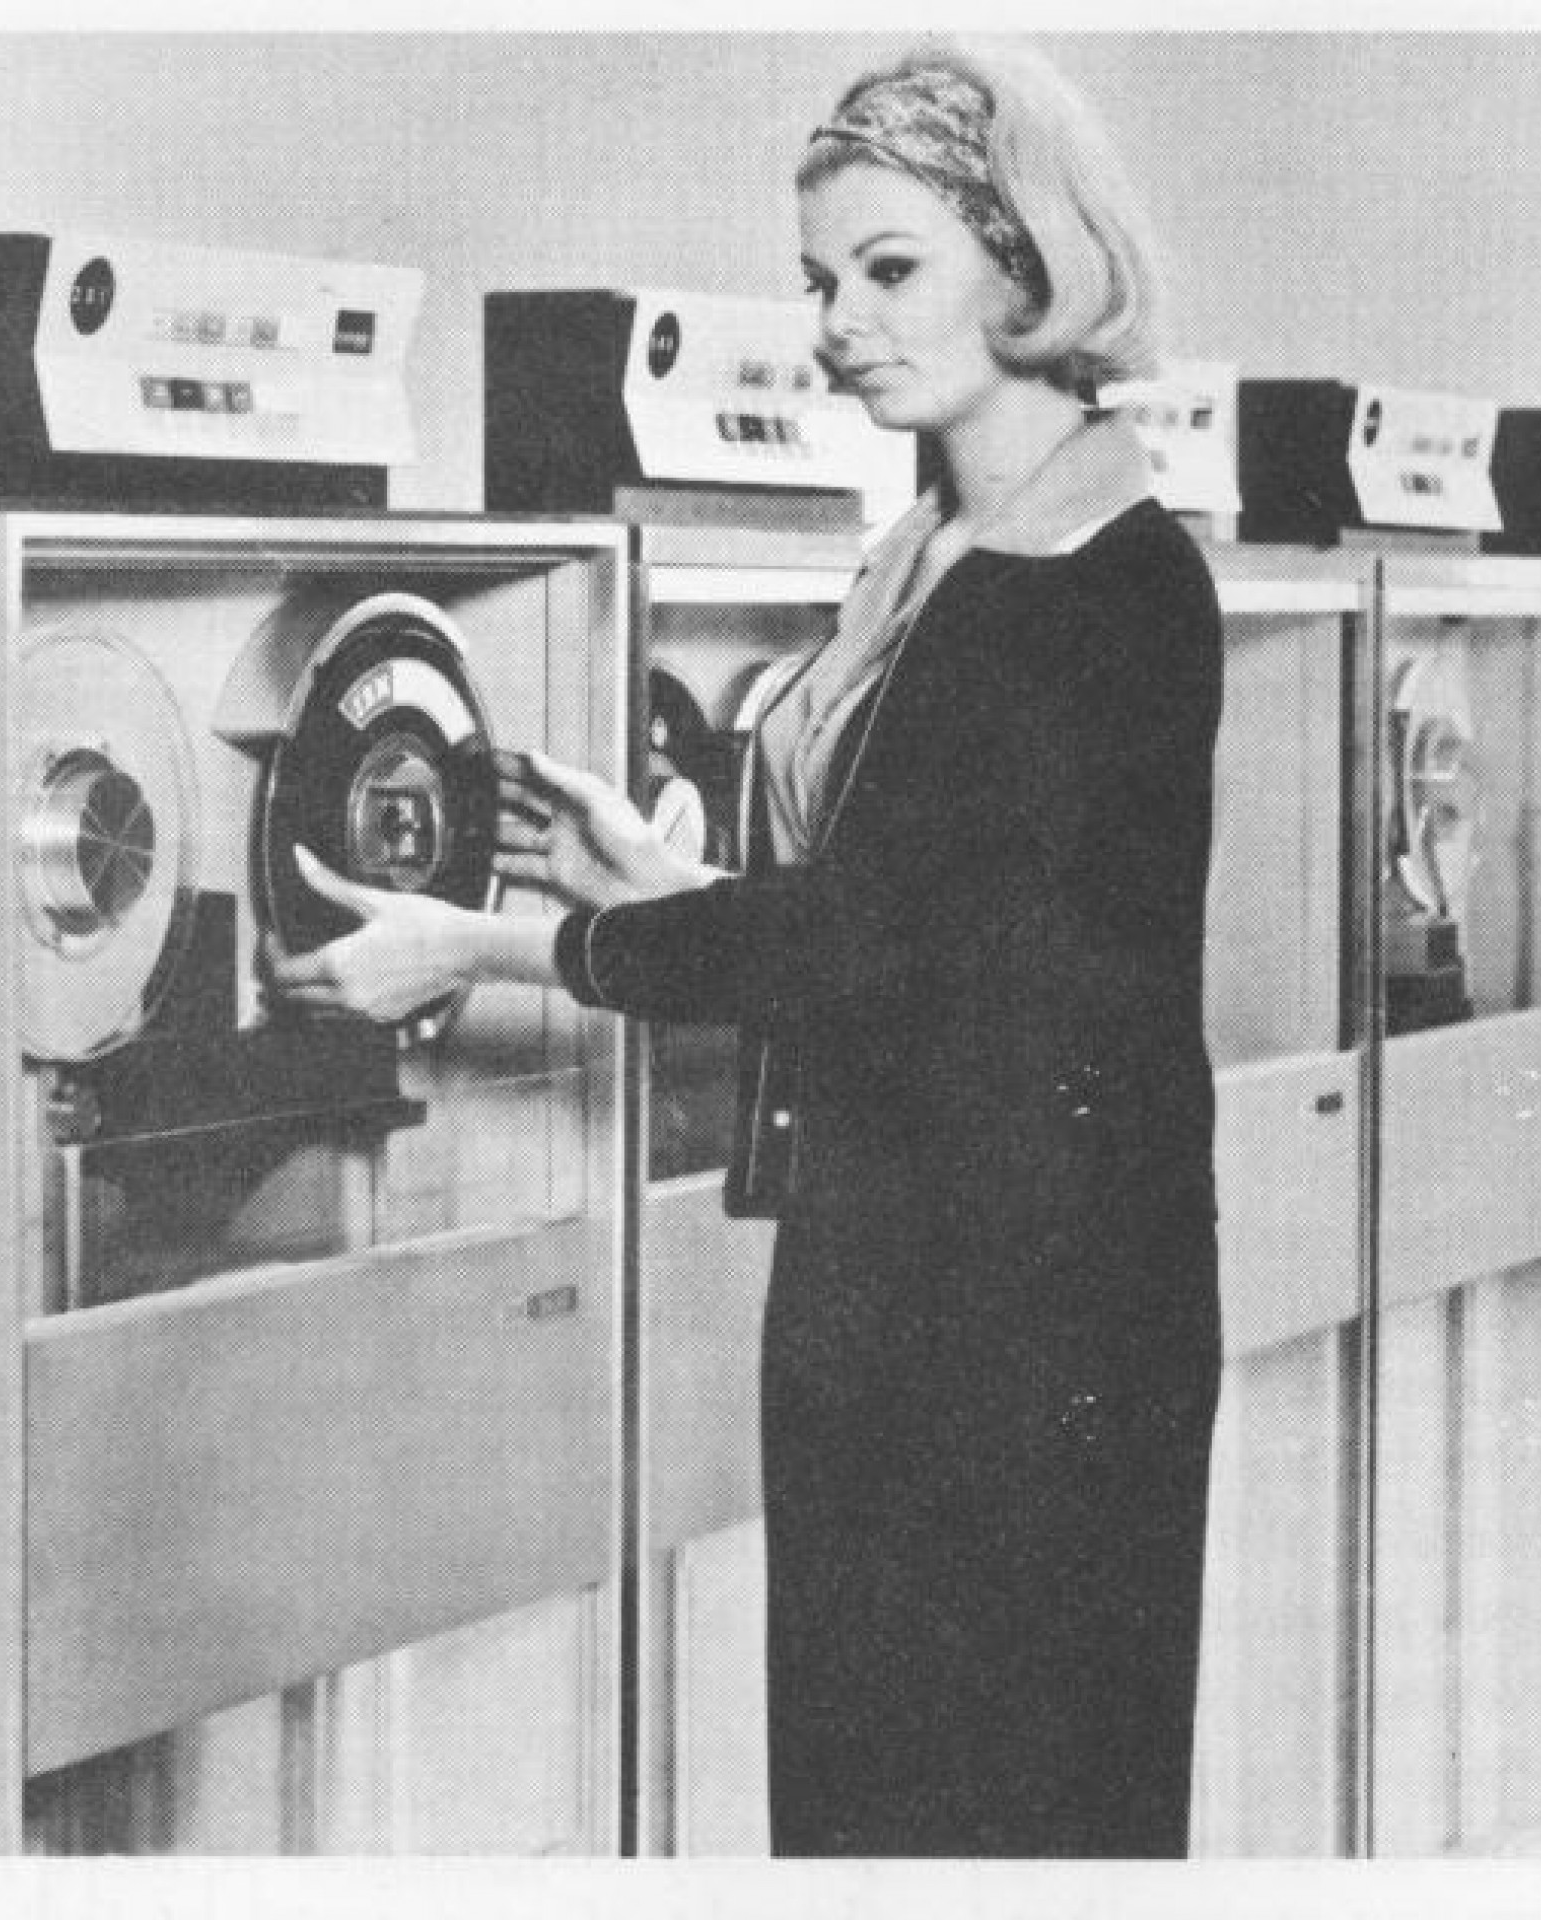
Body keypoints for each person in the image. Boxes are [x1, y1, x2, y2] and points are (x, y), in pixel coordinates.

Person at [268, 39, 1224, 1858]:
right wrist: (655, 880)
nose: (839, 323)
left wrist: (491, 942)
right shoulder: (931, 557)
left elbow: (873, 938)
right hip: (899, 1283)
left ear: (1028, 262)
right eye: (820, 279)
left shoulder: (1101, 581)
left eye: (890, 269)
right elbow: (913, 901)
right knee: (872, 1807)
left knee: (1005, 1814)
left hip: (1030, 1323)